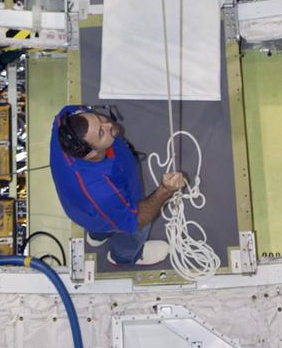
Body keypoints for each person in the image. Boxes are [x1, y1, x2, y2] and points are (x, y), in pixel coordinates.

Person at [50, 104, 186, 267]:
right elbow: (134, 220)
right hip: (102, 206)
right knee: (136, 229)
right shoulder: (100, 190)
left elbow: (76, 112)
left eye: (99, 119)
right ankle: (124, 256)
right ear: (92, 154)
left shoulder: (66, 118)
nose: (109, 125)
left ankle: (97, 237)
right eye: (101, 133)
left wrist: (101, 131)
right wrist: (166, 190)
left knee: (100, 221)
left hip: (82, 208)